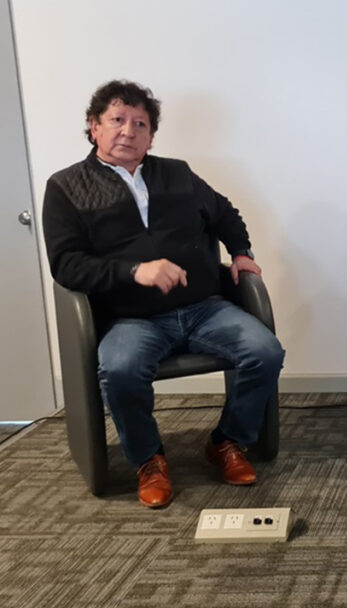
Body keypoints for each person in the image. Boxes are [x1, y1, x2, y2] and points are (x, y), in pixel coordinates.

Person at [43, 80, 285, 509]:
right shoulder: (66, 187)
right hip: (130, 318)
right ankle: (149, 459)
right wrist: (135, 271)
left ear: (151, 136)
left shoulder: (177, 174)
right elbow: (67, 265)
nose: (128, 131)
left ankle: (227, 441)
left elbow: (225, 214)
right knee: (120, 370)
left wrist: (242, 253)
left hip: (203, 307)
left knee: (264, 351)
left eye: (140, 124)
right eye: (117, 120)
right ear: (94, 127)